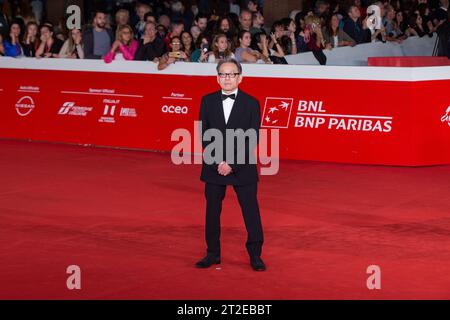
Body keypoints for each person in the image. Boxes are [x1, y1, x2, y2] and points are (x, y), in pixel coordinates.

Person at [196, 58, 265, 272]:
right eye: (223, 74)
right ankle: (212, 253)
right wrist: (219, 162)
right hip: (214, 165)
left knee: (250, 211)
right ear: (217, 78)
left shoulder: (252, 103)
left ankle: (255, 255)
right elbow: (205, 135)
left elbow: (252, 138)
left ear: (240, 77)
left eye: (231, 74)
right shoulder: (207, 101)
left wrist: (232, 164)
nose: (227, 78)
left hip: (242, 165)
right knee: (212, 211)